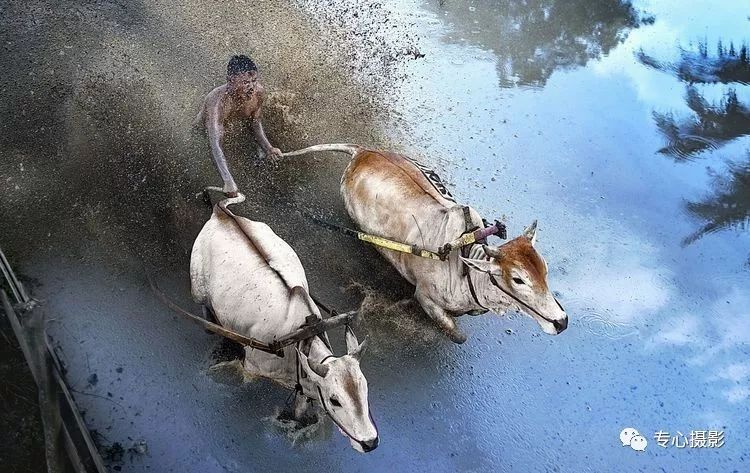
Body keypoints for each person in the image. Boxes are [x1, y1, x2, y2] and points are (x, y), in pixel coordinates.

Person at [194, 55, 282, 196]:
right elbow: (215, 145)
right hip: (203, 135)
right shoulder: (217, 102)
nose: (251, 87)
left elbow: (255, 123)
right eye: (246, 82)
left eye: (254, 81)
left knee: (254, 158)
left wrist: (268, 148)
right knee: (212, 164)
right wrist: (228, 181)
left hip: (231, 130)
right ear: (230, 81)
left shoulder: (258, 93)